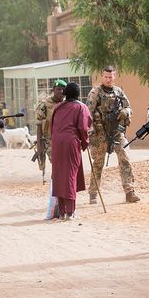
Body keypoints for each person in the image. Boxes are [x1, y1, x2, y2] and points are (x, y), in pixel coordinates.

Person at [86, 66, 140, 204]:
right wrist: (91, 133)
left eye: (111, 77)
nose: (108, 79)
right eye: (106, 77)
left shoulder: (118, 92)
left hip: (117, 132)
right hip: (100, 133)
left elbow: (128, 107)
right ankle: (93, 193)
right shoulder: (95, 93)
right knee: (98, 163)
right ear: (102, 77)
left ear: (114, 77)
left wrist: (125, 112)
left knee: (125, 158)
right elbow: (88, 113)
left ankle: (129, 191)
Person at [50, 83, 92, 220]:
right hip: (70, 143)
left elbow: (52, 127)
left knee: (59, 175)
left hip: (56, 143)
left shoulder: (58, 107)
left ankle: (62, 213)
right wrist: (85, 142)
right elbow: (84, 127)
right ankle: (70, 212)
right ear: (78, 94)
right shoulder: (80, 107)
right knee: (70, 176)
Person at [35, 79, 66, 219]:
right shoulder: (44, 105)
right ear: (53, 90)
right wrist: (40, 146)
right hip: (50, 141)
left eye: (63, 89)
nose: (61, 92)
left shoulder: (66, 103)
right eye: (58, 89)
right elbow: (39, 125)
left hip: (64, 140)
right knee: (57, 167)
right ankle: (57, 200)